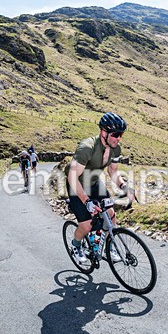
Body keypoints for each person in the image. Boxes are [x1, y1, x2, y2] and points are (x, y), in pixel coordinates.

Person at [65, 112, 135, 266]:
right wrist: (87, 201)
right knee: (87, 223)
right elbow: (72, 177)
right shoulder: (87, 148)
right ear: (104, 132)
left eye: (121, 135)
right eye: (115, 134)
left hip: (94, 181)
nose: (118, 138)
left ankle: (110, 247)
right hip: (76, 184)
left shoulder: (115, 148)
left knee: (110, 213)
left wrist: (124, 187)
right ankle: (76, 245)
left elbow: (113, 172)